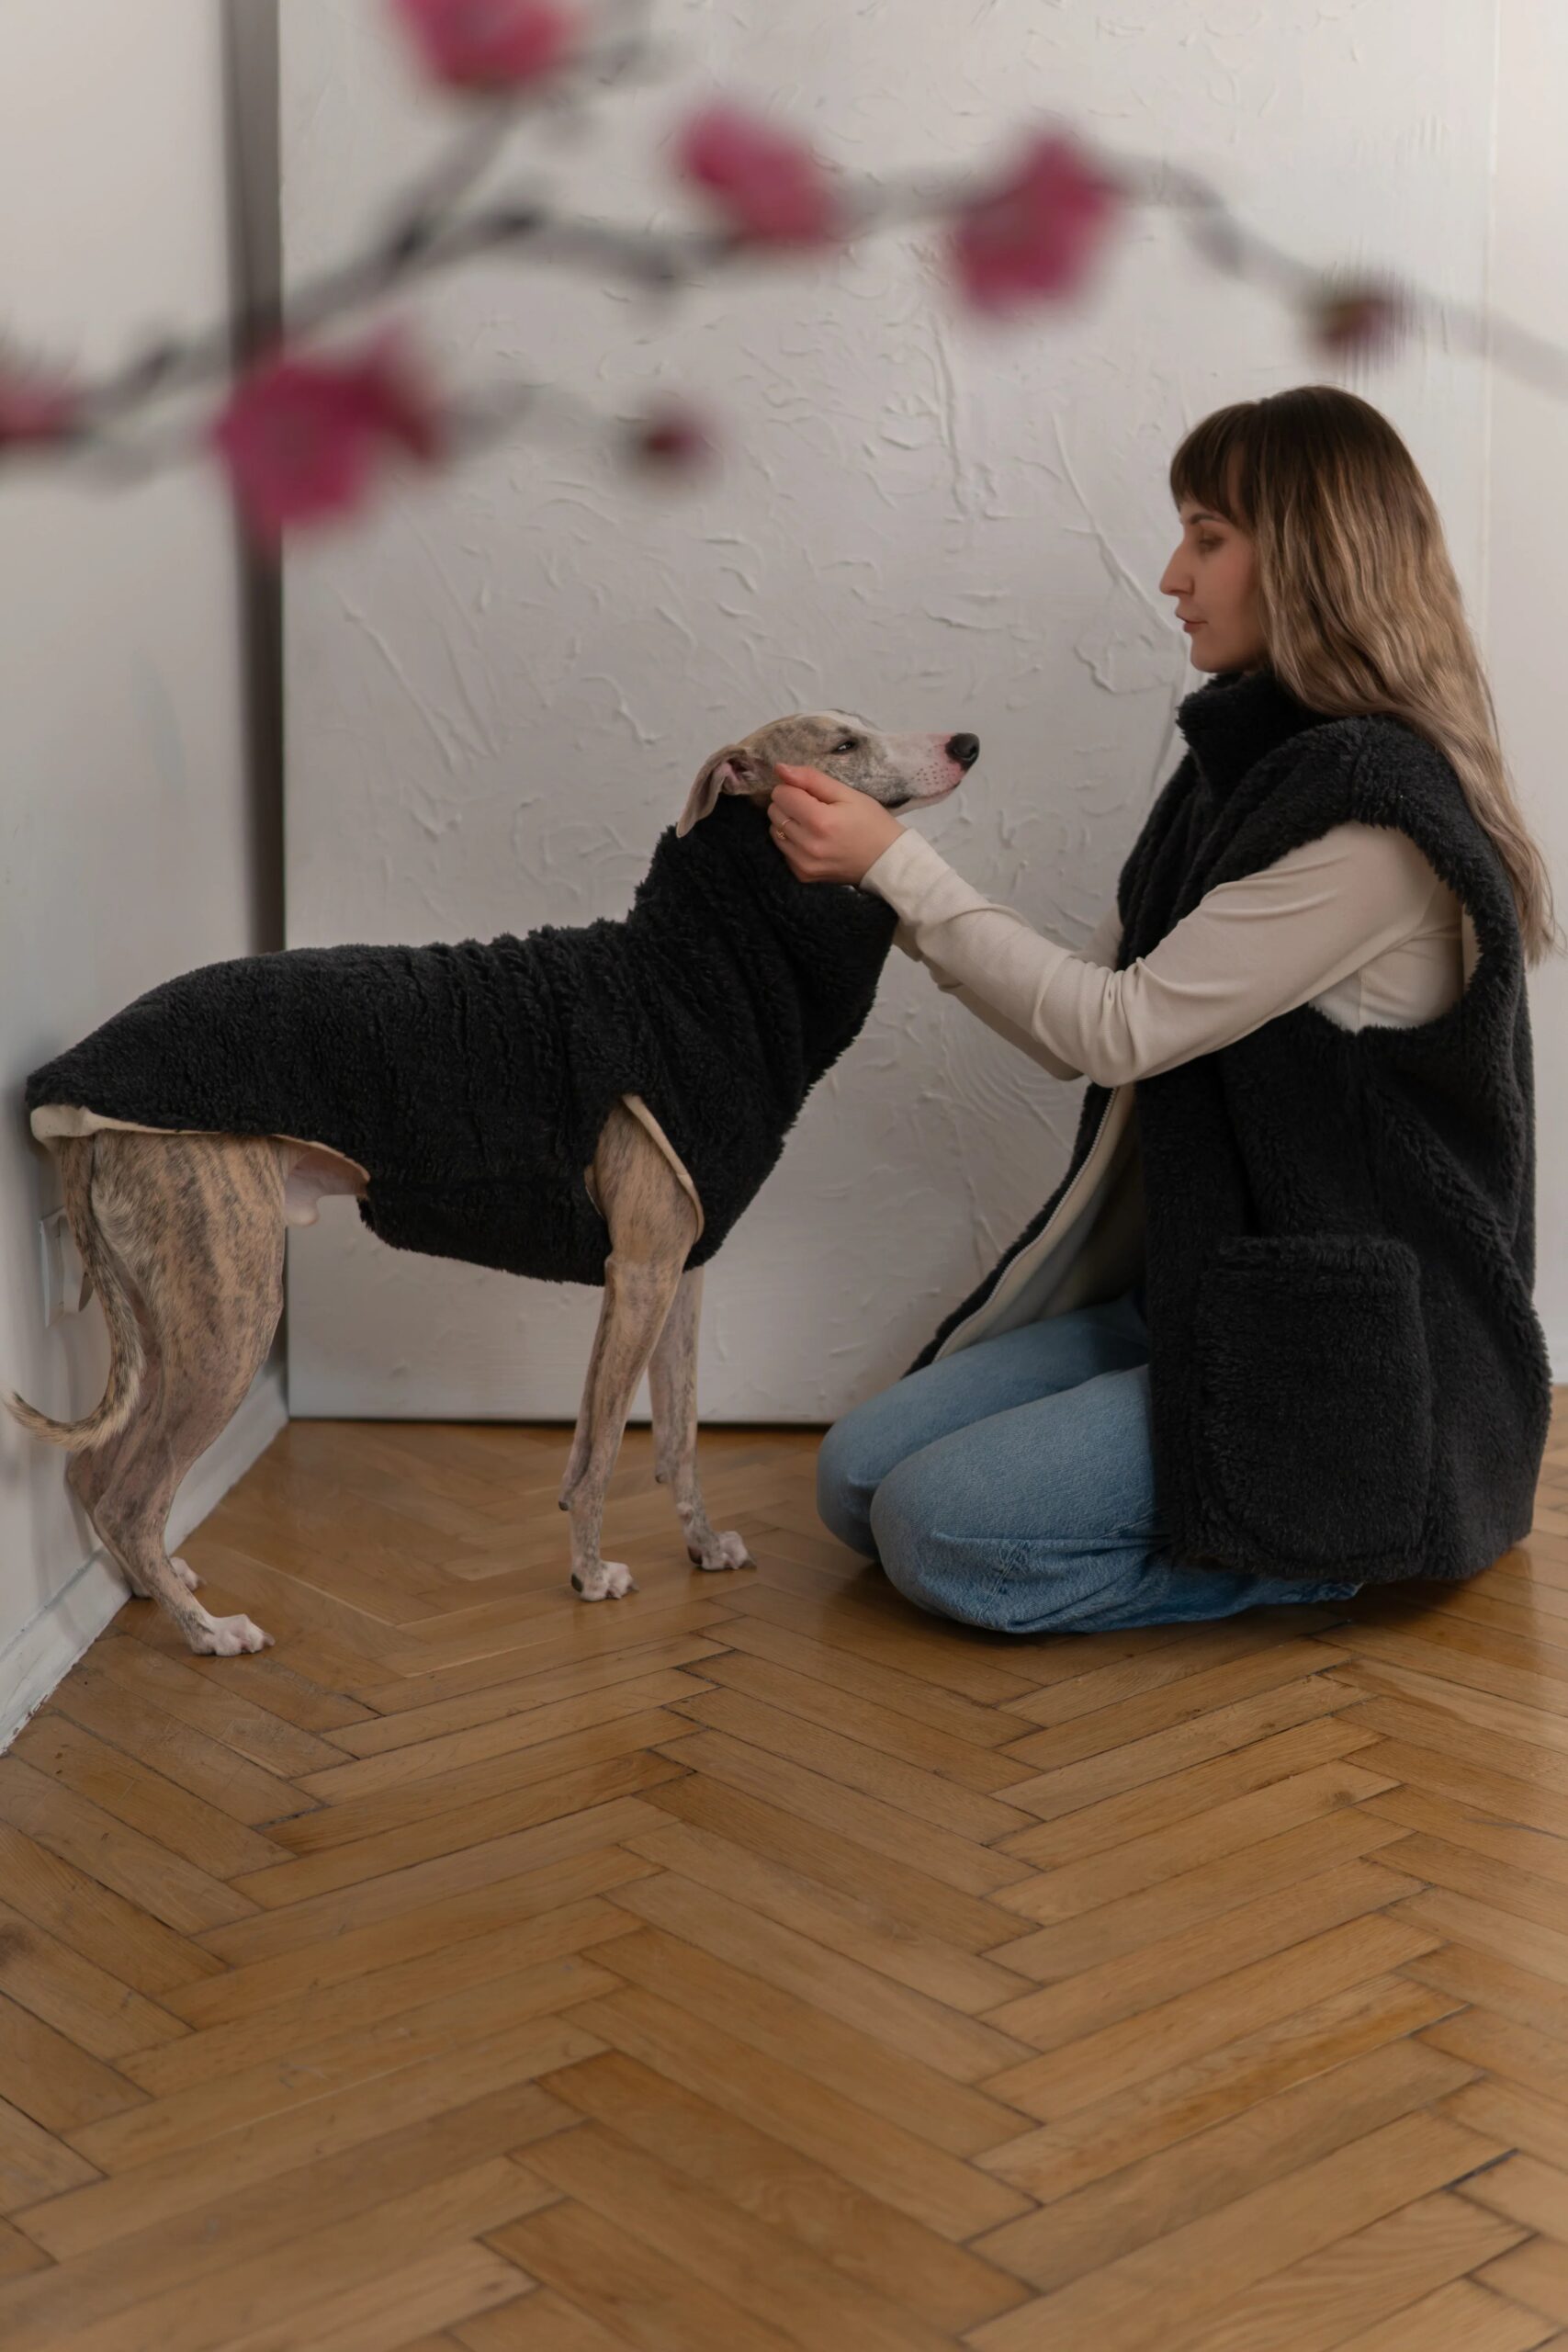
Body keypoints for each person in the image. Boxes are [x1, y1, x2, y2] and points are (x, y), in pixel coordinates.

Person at [767, 385, 1557, 1636]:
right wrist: (888, 881)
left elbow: (1114, 1029)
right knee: (856, 1479)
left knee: (937, 1531)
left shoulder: (1373, 817)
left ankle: (1349, 1534)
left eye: (1207, 536)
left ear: (1308, 554)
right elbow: (1081, 1015)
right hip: (1208, 1282)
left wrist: (895, 867)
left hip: (1357, 1362)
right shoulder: (1234, 777)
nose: (1171, 575)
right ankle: (1218, 1490)